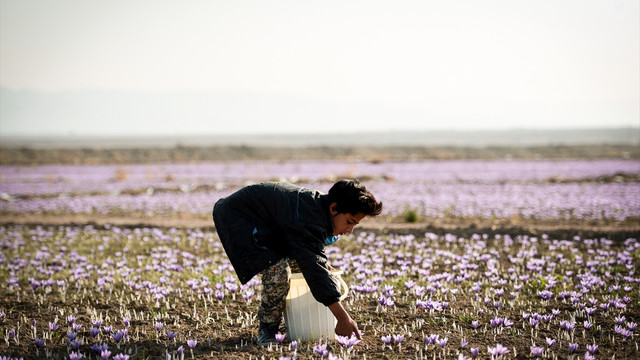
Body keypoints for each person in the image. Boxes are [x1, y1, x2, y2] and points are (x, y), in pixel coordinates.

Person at [212, 179, 383, 345]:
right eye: (349, 222)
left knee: (304, 266)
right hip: (239, 218)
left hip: (263, 222)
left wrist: (321, 268)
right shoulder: (309, 219)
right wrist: (343, 318)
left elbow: (311, 258)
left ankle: (283, 324)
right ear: (334, 208)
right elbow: (315, 270)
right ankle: (268, 329)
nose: (350, 230)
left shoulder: (317, 210)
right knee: (278, 271)